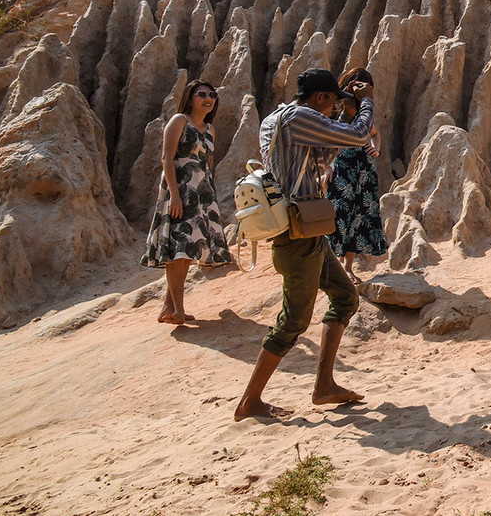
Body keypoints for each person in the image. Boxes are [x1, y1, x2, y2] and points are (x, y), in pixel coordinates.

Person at [233, 67, 376, 422]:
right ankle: (250, 401)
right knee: (294, 320)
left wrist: (345, 114)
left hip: (307, 229)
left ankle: (324, 385)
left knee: (345, 297)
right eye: (332, 104)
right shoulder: (300, 117)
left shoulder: (276, 119)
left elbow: (325, 153)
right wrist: (366, 102)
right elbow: (359, 136)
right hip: (297, 234)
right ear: (321, 97)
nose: (332, 110)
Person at [142, 79, 231, 325]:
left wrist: (208, 197)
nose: (208, 98)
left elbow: (208, 164)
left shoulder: (210, 130)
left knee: (189, 247)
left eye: (212, 95)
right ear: (190, 98)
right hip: (180, 191)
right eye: (201, 94)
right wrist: (174, 195)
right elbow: (167, 159)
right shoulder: (179, 121)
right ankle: (178, 310)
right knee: (178, 247)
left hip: (202, 194)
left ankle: (168, 307)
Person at [327, 67, 388, 284]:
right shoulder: (335, 110)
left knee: (358, 217)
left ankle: (347, 268)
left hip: (363, 169)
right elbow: (326, 144)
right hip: (341, 167)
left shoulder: (364, 112)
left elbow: (375, 133)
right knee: (337, 214)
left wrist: (376, 149)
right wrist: (326, 167)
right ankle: (332, 266)